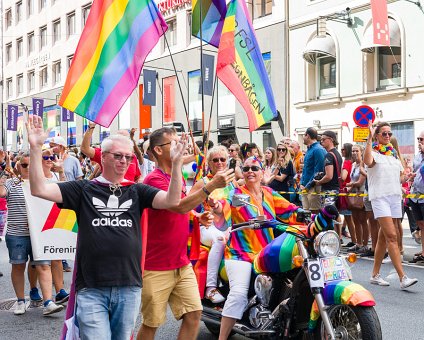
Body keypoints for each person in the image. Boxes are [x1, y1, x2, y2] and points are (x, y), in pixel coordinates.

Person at [26, 115, 187, 339]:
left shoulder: (137, 191)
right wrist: (35, 148)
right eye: (117, 156)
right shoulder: (84, 189)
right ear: (103, 157)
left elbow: (172, 201)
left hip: (129, 285)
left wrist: (177, 165)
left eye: (128, 157)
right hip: (92, 287)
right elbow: (39, 189)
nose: (123, 161)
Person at [138, 128, 234, 340]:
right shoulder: (154, 179)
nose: (179, 146)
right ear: (158, 150)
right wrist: (209, 188)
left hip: (181, 263)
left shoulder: (175, 175)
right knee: (151, 323)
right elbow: (177, 206)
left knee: (194, 314)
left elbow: (181, 207)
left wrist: (195, 216)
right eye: (172, 143)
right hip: (156, 266)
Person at [213, 157, 300, 340]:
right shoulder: (237, 194)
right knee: (238, 294)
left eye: (254, 168)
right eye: (246, 169)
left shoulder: (268, 193)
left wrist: (309, 214)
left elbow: (290, 209)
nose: (250, 171)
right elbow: (223, 206)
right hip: (240, 253)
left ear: (262, 172)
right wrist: (217, 207)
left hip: (265, 252)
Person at [0, 152, 65, 316]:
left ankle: (48, 302)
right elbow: (1, 193)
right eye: (24, 165)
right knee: (18, 265)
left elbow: (63, 192)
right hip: (17, 234)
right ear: (18, 166)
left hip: (39, 233)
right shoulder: (11, 183)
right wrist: (3, 175)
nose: (28, 168)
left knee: (43, 266)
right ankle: (21, 301)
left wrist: (61, 170)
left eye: (31, 165)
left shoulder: (43, 183)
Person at [364, 121, 418, 289]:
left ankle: (375, 274)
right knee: (392, 236)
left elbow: (399, 178)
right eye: (384, 133)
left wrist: (408, 177)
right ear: (377, 135)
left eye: (389, 133)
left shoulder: (393, 154)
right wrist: (368, 138)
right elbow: (367, 161)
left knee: (383, 237)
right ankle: (403, 278)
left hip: (394, 196)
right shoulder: (373, 152)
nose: (387, 136)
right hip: (380, 197)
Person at [189, 146, 237, 303]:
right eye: (215, 160)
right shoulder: (202, 183)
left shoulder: (232, 182)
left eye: (222, 159)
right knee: (219, 239)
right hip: (207, 228)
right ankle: (211, 287)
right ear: (209, 163)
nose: (219, 162)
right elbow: (186, 207)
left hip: (229, 226)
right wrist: (198, 216)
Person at [346, 145, 368, 254]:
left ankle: (365, 245)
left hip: (362, 193)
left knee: (363, 220)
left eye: (357, 151)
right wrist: (348, 188)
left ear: (361, 152)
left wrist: (351, 185)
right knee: (355, 220)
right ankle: (358, 243)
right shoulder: (354, 164)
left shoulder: (364, 164)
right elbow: (352, 179)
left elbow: (360, 182)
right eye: (353, 151)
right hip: (354, 194)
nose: (354, 153)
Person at [300, 127, 327, 214]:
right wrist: (302, 183)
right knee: (306, 214)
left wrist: (308, 186)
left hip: (313, 187)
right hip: (305, 186)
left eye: (304, 135)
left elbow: (318, 171)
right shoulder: (309, 149)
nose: (303, 138)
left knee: (314, 213)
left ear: (307, 136)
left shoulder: (318, 149)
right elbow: (306, 169)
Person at [313, 131, 342, 207]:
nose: (321, 142)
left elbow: (329, 176)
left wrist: (319, 182)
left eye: (323, 139)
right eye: (320, 140)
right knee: (333, 213)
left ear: (331, 139)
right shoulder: (337, 153)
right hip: (335, 188)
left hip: (329, 190)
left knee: (327, 214)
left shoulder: (329, 155)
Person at [409, 130, 424, 263]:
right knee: (420, 224)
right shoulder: (417, 156)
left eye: (422, 139)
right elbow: (416, 171)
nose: (419, 142)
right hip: (415, 195)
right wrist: (412, 175)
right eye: (418, 139)